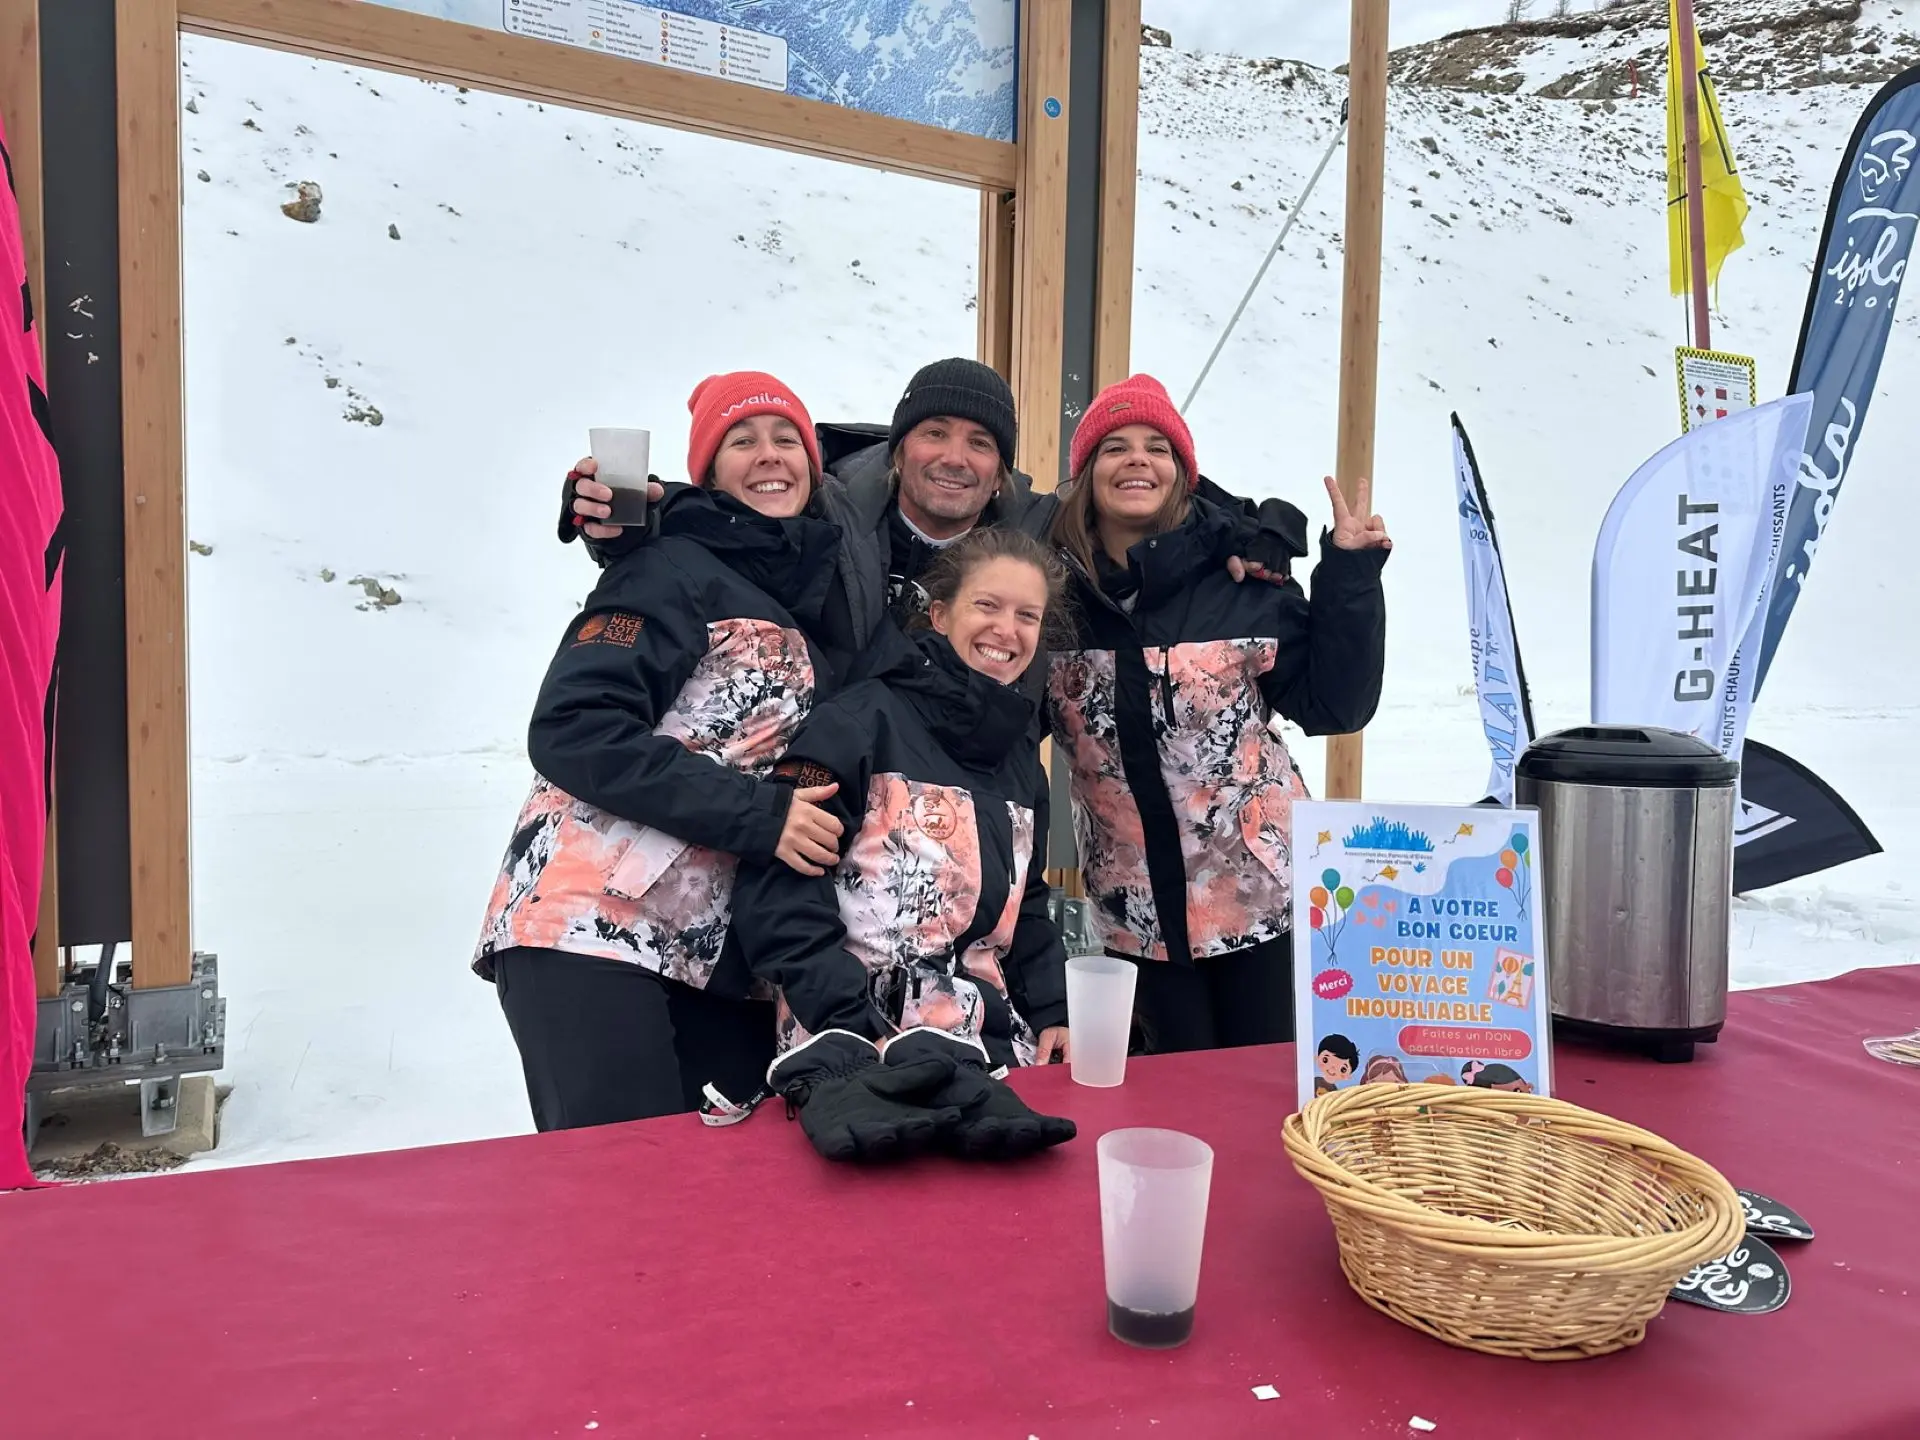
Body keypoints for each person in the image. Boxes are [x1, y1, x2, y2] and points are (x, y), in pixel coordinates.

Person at [472, 371, 855, 1132]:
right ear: (706, 474)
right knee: (621, 1185)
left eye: (787, 439)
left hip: (709, 957)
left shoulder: (802, 599)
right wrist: (760, 815)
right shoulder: (668, 568)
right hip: (588, 930)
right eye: (741, 441)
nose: (769, 454)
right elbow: (575, 728)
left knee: (708, 1191)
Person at [1046, 374, 1390, 1054]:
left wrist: (1350, 578)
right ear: (1086, 474)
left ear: (1182, 473)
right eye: (1115, 447)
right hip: (1135, 919)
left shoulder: (1240, 585)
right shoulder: (1053, 599)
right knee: (1169, 1099)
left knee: (1265, 1094)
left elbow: (1336, 704)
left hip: (1266, 905)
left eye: (1158, 448)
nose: (1138, 460)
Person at [731, 528, 1077, 1160]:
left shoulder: (1024, 762)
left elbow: (1026, 904)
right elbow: (780, 884)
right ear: (939, 615)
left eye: (1027, 616)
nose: (1007, 630)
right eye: (987, 605)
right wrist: (846, 1027)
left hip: (986, 1051)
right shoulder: (860, 721)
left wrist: (1055, 1007)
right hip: (854, 1051)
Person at [560, 357, 1312, 633]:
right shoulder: (827, 508)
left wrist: (1249, 529)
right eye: (935, 433)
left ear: (1001, 468)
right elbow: (731, 513)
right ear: (898, 448)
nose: (955, 458)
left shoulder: (1038, 534)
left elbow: (1139, 493)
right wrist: (628, 518)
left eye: (981, 442)